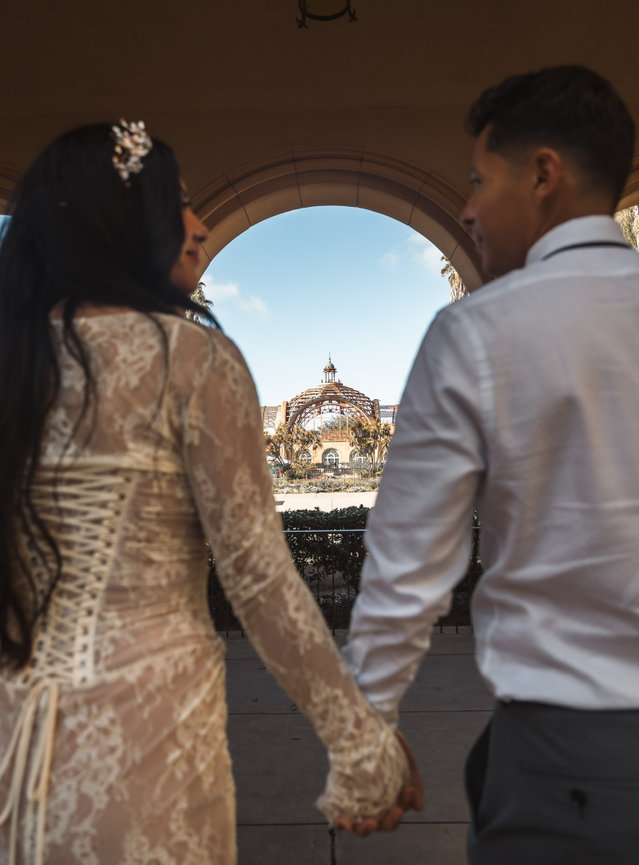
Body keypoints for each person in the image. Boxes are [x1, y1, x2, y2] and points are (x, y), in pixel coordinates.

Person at [0, 121, 417, 865]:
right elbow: (258, 578)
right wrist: (362, 745)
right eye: (176, 206)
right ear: (118, 223)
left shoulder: (16, 361)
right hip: (145, 740)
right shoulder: (188, 357)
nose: (197, 229)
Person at [341, 65, 639, 862]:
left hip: (567, 764)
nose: (467, 207)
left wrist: (364, 732)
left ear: (543, 174)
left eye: (478, 179)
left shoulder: (478, 331)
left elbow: (408, 567)